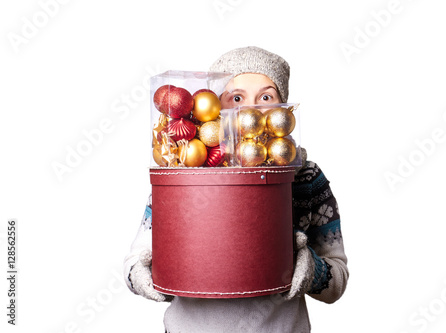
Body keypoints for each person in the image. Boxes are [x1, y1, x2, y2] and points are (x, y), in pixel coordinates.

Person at [124, 46, 349, 333]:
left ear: (284, 109)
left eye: (266, 97)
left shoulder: (305, 178)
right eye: (237, 97)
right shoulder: (184, 172)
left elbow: (337, 282)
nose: (250, 110)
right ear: (214, 106)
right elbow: (134, 263)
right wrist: (148, 275)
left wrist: (307, 269)